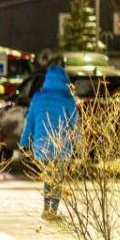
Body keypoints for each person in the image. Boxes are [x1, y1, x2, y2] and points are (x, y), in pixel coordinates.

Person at [19, 66, 78, 220]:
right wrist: (79, 143)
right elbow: (73, 124)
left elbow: (30, 121)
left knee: (49, 178)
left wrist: (24, 141)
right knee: (57, 178)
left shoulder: (38, 97)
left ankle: (47, 209)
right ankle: (52, 210)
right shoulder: (68, 98)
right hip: (61, 145)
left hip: (42, 145)